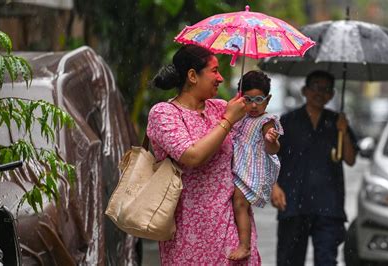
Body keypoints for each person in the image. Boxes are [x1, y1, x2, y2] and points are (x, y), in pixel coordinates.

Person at [147, 44, 261, 265]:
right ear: (192, 76)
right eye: (214, 70)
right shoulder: (164, 114)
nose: (220, 78)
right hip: (187, 230)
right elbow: (192, 156)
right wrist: (228, 121)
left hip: (231, 227)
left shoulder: (220, 108)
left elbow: (250, 145)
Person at [271, 70, 358, 266]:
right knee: (289, 261)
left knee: (327, 260)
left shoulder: (338, 122)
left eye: (326, 89)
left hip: (329, 206)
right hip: (292, 202)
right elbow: (271, 157)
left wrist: (343, 131)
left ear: (332, 95)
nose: (320, 93)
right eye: (316, 88)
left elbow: (350, 159)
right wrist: (274, 187)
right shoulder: (287, 121)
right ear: (305, 90)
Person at [229, 70, 283, 260]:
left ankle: (244, 246)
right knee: (236, 204)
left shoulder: (266, 121)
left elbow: (273, 149)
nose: (253, 105)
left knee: (239, 203)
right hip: (238, 166)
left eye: (258, 99)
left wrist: (270, 140)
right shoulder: (239, 116)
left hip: (251, 169)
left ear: (267, 100)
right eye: (248, 99)